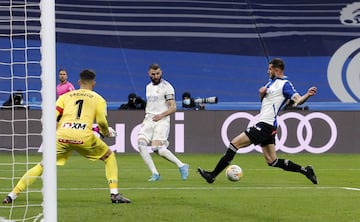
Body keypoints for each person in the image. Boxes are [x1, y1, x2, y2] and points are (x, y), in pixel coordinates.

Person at [2, 69, 131, 204]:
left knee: (43, 165)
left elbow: (52, 117)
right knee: (109, 156)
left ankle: (12, 195)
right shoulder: (99, 99)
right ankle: (114, 194)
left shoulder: (65, 97)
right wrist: (105, 132)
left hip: (62, 135)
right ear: (94, 83)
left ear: (79, 82)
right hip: (84, 137)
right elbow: (102, 122)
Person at [198, 58, 318, 185]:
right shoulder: (269, 84)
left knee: (234, 144)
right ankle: (305, 170)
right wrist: (262, 94)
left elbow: (298, 100)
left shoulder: (285, 84)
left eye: (270, 69)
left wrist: (307, 95)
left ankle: (212, 175)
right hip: (267, 125)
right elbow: (266, 103)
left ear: (276, 70)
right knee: (272, 161)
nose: (268, 71)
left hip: (266, 125)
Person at [137, 63, 189, 181]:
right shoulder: (148, 87)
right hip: (149, 120)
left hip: (162, 121)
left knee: (156, 148)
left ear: (161, 73)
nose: (156, 76)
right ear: (149, 74)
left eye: (158, 73)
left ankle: (181, 165)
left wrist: (161, 115)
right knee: (141, 144)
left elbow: (173, 107)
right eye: (153, 74)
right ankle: (155, 173)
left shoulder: (167, 87)